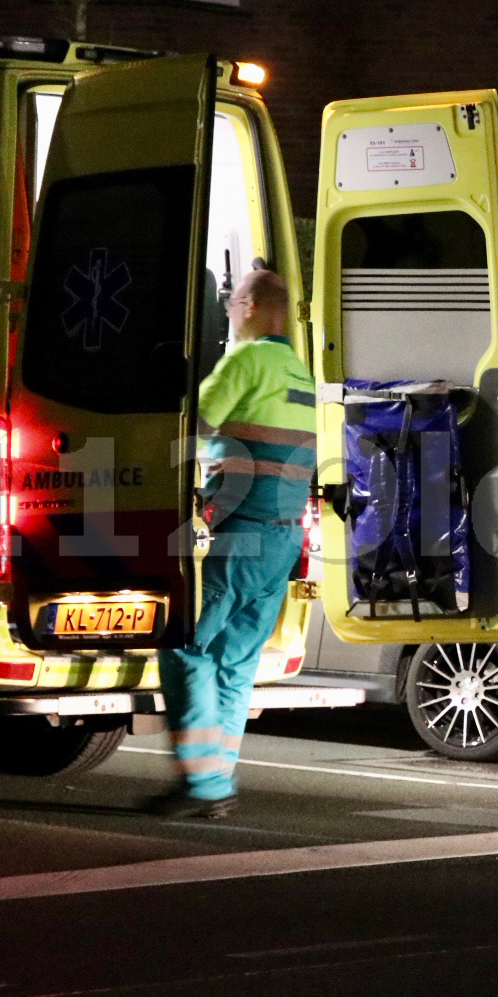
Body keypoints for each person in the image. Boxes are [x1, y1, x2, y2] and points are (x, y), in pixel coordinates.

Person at [151, 268, 316, 819]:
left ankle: (202, 784)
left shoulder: (247, 362)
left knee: (184, 646)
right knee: (236, 662)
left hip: (241, 535)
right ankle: (217, 780)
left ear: (250, 307)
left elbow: (187, 424)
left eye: (231, 300)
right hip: (282, 544)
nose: (226, 309)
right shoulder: (300, 372)